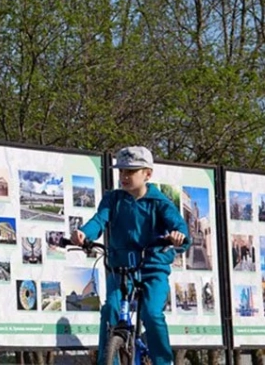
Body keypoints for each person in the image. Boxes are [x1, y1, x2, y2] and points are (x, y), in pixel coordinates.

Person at [71, 146, 190, 365]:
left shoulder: (160, 203)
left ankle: (164, 361)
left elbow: (180, 228)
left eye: (130, 172)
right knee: (110, 311)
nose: (124, 176)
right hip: (121, 269)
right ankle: (107, 361)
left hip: (152, 268)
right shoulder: (113, 199)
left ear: (147, 174)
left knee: (152, 314)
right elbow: (99, 220)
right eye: (121, 171)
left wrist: (177, 236)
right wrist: (83, 235)